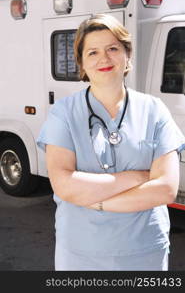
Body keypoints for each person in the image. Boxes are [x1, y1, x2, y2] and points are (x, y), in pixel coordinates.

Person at [37, 14, 185, 271]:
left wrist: (97, 203)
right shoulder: (64, 113)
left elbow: (166, 189)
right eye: (92, 52)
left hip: (145, 252)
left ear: (127, 54)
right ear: (81, 63)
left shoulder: (154, 110)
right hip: (81, 254)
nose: (103, 58)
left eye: (113, 48)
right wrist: (136, 178)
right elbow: (63, 185)